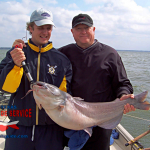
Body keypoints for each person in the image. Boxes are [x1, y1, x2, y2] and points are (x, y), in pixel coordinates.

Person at [12, 13, 135, 150]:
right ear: (72, 32)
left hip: (100, 120)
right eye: (78, 28)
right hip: (69, 119)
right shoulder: (63, 53)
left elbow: (123, 83)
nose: (83, 32)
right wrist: (23, 48)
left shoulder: (110, 54)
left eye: (86, 28)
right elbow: (42, 64)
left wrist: (124, 95)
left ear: (93, 29)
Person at [0, 8, 72, 150]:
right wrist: (15, 65)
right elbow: (6, 88)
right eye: (40, 28)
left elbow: (64, 96)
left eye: (48, 28)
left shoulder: (61, 60)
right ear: (30, 28)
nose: (45, 32)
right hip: (19, 126)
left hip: (51, 130)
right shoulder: (15, 52)